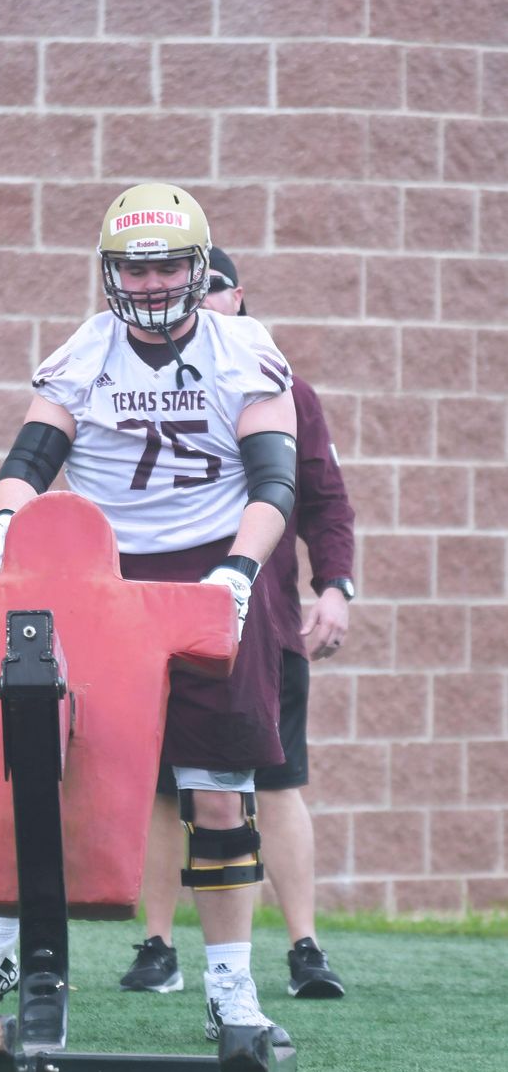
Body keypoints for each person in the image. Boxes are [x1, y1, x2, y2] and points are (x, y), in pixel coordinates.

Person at [0, 184, 297, 1046]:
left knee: (220, 795)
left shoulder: (246, 350)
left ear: (199, 270)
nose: (153, 281)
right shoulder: (87, 352)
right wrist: (10, 522)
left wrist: (237, 569)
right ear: (110, 271)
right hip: (102, 584)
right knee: (37, 771)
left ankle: (230, 989)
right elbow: (26, 462)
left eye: (168, 265)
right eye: (136, 265)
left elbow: (276, 482)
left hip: (215, 571)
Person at [120, 247, 353, 1000]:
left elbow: (323, 500)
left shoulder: (282, 386)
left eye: (211, 288)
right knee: (162, 788)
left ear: (234, 295)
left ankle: (303, 945)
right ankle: (156, 943)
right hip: (159, 620)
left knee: (274, 783)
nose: (196, 300)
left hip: (262, 621)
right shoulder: (131, 379)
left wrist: (336, 587)